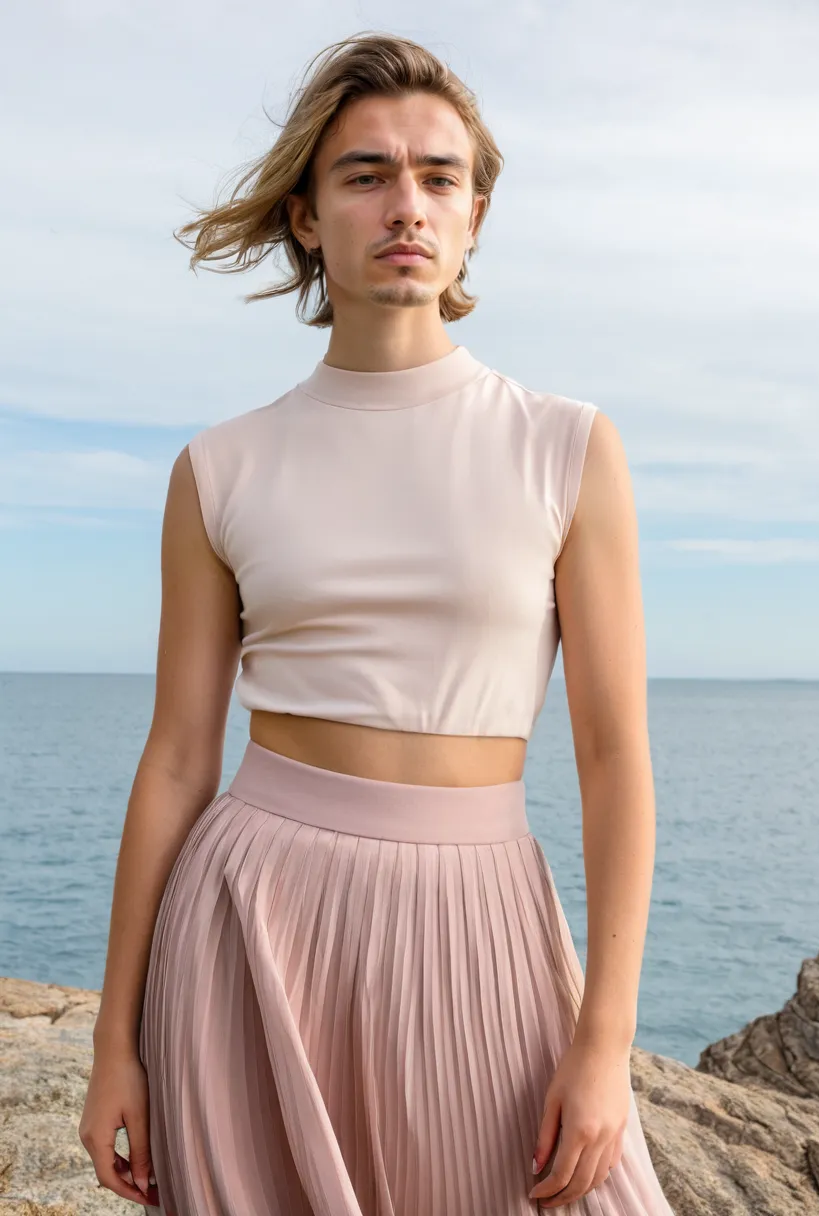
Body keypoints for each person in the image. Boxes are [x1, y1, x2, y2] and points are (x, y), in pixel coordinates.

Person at [78, 30, 676, 1216]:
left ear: (474, 215)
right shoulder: (220, 467)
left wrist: (604, 1038)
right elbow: (178, 759)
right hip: (250, 923)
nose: (405, 203)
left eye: (438, 176)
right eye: (365, 174)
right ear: (307, 216)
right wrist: (115, 1043)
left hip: (479, 912)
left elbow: (613, 761)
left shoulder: (564, 446)